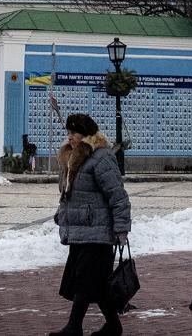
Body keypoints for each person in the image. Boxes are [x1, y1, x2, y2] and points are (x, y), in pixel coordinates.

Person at [50, 113, 131, 336]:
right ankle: (114, 326)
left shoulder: (101, 157)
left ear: (86, 134)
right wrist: (62, 214)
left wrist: (121, 227)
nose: (70, 137)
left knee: (85, 282)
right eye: (68, 132)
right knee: (97, 283)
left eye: (74, 132)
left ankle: (74, 327)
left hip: (98, 232)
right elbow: (70, 194)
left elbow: (118, 195)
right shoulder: (71, 156)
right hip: (80, 230)